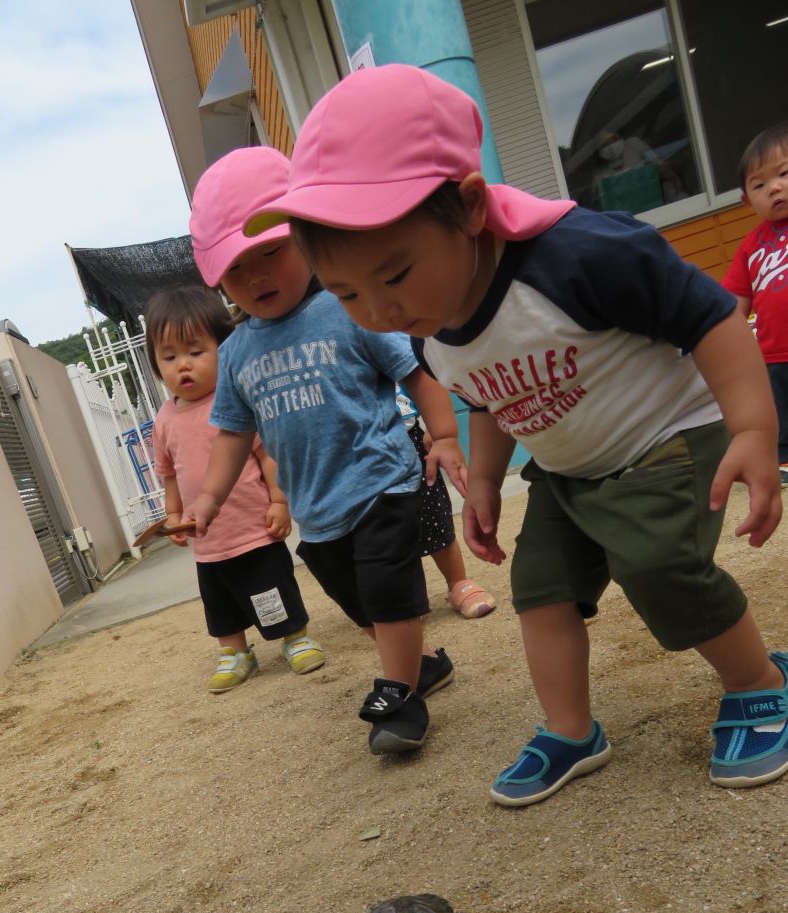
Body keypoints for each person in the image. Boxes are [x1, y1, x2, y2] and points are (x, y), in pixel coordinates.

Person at [244, 63, 787, 803]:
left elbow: (712, 316)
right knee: (541, 590)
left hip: (663, 438)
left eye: (395, 274)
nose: (377, 310)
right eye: (344, 293)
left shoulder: (581, 254)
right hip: (568, 471)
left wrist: (754, 426)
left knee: (659, 567)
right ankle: (571, 729)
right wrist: (488, 481)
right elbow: (488, 396)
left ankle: (758, 683)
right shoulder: (429, 324)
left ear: (469, 208)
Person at [183, 146, 467, 755]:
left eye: (271, 253)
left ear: (308, 239)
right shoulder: (234, 354)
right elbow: (233, 433)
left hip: (382, 479)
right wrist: (207, 497)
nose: (257, 276)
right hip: (317, 508)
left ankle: (401, 700)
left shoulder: (348, 309)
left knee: (388, 590)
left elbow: (418, 373)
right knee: (360, 603)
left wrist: (443, 437)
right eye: (238, 267)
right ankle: (422, 667)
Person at [145, 285, 325, 694]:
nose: (182, 366)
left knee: (270, 587)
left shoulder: (234, 403)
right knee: (220, 600)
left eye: (195, 351)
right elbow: (169, 474)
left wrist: (279, 501)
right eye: (169, 357)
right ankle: (235, 651)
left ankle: (294, 637)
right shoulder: (164, 421)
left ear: (222, 348)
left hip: (252, 527)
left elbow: (266, 457)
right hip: (206, 540)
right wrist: (174, 517)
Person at [722, 124, 788, 487]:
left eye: (784, 174)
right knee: (779, 415)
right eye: (759, 185)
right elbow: (732, 302)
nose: (774, 187)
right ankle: (781, 463)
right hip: (773, 355)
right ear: (747, 200)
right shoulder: (751, 246)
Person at [396, 388, 497, 618]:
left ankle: (457, 581)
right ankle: (402, 597)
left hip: (406, 434)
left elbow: (418, 374)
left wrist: (437, 429)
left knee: (432, 511)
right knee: (380, 527)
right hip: (354, 447)